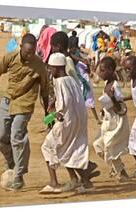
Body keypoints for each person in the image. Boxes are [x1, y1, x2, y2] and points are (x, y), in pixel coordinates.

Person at [0, 33, 49, 191]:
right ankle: (11, 162)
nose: (30, 55)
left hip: (25, 104)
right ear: (21, 47)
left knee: (17, 136)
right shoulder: (10, 57)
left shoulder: (39, 64)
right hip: (8, 101)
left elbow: (45, 90)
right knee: (0, 138)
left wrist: (47, 115)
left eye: (33, 52)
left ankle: (18, 176)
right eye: (27, 52)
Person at [48, 32, 100, 191]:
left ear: (57, 46)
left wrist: (52, 115)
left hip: (70, 113)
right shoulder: (68, 62)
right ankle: (83, 176)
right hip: (74, 111)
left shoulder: (64, 71)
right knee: (70, 146)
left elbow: (70, 93)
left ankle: (77, 174)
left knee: (60, 146)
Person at [39, 53, 95, 194]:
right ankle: (78, 179)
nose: (49, 71)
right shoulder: (71, 79)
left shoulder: (60, 81)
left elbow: (66, 101)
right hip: (77, 120)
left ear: (57, 68)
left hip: (66, 121)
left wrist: (57, 113)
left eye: (51, 68)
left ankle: (54, 183)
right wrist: (55, 104)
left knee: (48, 147)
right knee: (68, 149)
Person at [93, 57, 130, 182]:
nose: (101, 73)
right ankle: (118, 168)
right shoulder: (106, 84)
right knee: (98, 145)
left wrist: (113, 97)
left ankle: (121, 172)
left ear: (110, 70)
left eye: (103, 70)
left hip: (116, 121)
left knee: (109, 147)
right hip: (107, 120)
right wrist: (103, 110)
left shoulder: (115, 86)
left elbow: (120, 108)